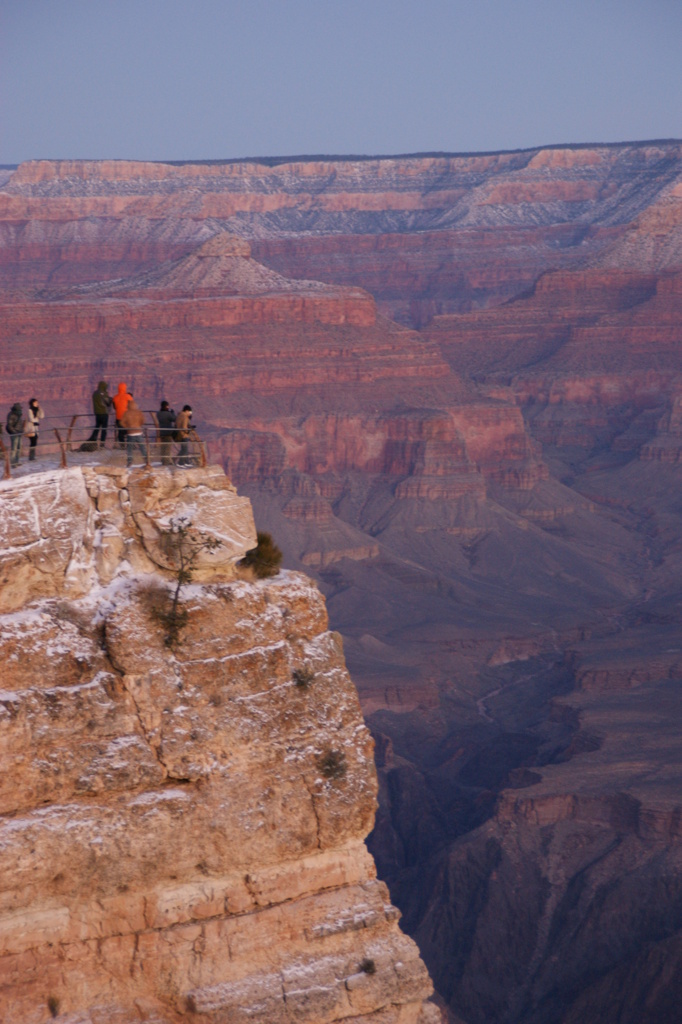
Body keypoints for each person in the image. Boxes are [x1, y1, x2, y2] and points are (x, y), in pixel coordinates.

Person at [119, 398, 147, 467]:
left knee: (129, 448)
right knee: (142, 447)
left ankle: (129, 462)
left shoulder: (126, 413)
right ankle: (146, 460)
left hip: (130, 433)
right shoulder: (139, 412)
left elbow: (121, 422)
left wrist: (127, 427)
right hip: (139, 432)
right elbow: (143, 421)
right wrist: (138, 425)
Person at [89, 381, 111, 447]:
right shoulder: (104, 394)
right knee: (104, 429)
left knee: (97, 427)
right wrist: (110, 399)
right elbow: (107, 403)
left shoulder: (95, 393)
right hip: (104, 413)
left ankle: (93, 440)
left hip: (97, 413)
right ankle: (102, 444)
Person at [156, 400, 176, 466]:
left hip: (162, 432)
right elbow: (174, 419)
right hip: (168, 433)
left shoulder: (158, 413)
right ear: (166, 406)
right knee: (167, 448)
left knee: (163, 447)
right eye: (167, 406)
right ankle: (166, 462)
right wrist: (172, 413)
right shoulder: (168, 414)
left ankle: (163, 460)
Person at [5, 403, 25, 467]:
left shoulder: (19, 414)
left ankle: (16, 462)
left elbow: (20, 424)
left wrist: (22, 430)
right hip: (14, 434)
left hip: (19, 433)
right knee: (14, 449)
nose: (21, 410)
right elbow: (10, 426)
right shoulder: (11, 415)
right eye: (19, 409)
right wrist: (14, 432)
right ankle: (13, 464)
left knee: (19, 448)